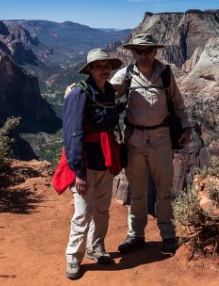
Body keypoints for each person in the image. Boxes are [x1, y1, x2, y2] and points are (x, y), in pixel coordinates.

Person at [110, 33, 193, 255]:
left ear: (155, 51)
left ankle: (168, 234)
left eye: (148, 50)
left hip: (161, 140)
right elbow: (104, 92)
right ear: (133, 52)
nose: (144, 55)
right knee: (137, 191)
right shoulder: (126, 74)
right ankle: (135, 235)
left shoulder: (165, 73)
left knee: (164, 189)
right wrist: (80, 91)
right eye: (139, 50)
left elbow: (178, 103)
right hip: (134, 140)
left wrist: (186, 126)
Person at [62, 48, 123, 279]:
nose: (104, 69)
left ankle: (96, 247)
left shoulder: (108, 91)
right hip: (85, 164)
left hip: (105, 161)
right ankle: (73, 258)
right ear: (89, 69)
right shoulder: (79, 94)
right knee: (82, 212)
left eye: (107, 66)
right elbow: (73, 134)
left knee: (102, 209)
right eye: (98, 66)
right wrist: (78, 172)